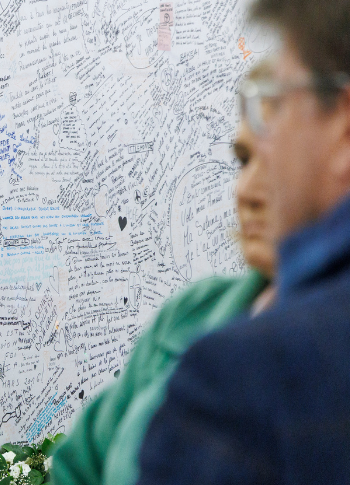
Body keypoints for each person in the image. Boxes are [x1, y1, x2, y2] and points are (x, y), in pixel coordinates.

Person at [136, 0, 350, 484]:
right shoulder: (192, 321)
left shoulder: (247, 381)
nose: (266, 147)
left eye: (280, 105)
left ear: (349, 128)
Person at [49, 63, 277, 485]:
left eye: (276, 161)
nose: (245, 190)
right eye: (244, 160)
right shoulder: (192, 313)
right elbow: (77, 468)